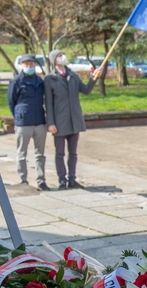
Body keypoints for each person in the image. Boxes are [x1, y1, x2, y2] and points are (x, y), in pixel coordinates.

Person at [44, 50, 100, 189]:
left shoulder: (73, 76)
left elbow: (86, 90)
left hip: (74, 120)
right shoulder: (50, 79)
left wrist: (94, 78)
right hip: (59, 121)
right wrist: (50, 123)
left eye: (62, 55)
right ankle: (62, 180)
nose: (62, 57)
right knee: (60, 153)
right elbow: (48, 103)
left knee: (73, 153)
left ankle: (72, 179)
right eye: (59, 56)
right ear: (53, 60)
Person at [7, 54, 49, 191]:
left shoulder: (40, 81)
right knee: (21, 153)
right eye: (26, 64)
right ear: (22, 65)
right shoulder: (16, 81)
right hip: (24, 122)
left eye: (31, 64)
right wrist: (19, 115)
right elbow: (11, 102)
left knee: (40, 154)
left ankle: (41, 180)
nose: (29, 66)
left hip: (39, 121)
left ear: (35, 65)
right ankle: (23, 180)